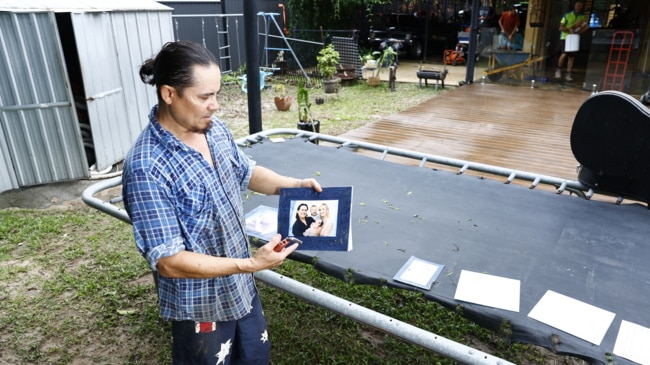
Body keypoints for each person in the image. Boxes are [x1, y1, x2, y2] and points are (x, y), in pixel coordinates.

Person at [122, 40, 322, 365]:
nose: (215, 105)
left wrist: (294, 186)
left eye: (216, 94)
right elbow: (169, 262)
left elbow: (248, 172)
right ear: (169, 94)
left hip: (241, 289)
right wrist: (250, 264)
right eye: (204, 97)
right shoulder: (147, 166)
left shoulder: (213, 130)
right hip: (199, 306)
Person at [555, 0, 587, 82]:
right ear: (575, 6)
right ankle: (558, 70)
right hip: (566, 37)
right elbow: (560, 28)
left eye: (580, 5)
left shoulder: (582, 17)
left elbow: (583, 27)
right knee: (564, 54)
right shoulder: (567, 15)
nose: (578, 7)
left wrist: (579, 31)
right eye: (577, 5)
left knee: (571, 56)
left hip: (574, 38)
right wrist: (569, 29)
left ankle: (568, 74)